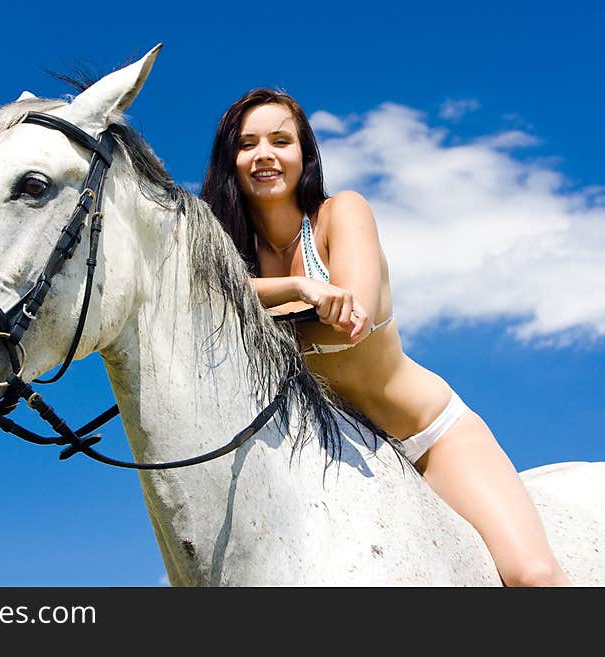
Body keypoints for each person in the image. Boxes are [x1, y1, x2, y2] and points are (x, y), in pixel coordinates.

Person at [201, 88, 572, 587]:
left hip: (426, 438)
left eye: (281, 141)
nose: (264, 154)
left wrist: (265, 303)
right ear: (231, 160)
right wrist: (294, 285)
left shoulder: (342, 213)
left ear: (304, 156)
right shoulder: (227, 254)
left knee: (532, 576)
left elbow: (351, 316)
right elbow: (202, 297)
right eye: (247, 144)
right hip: (333, 464)